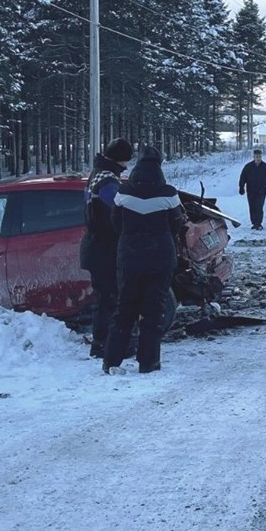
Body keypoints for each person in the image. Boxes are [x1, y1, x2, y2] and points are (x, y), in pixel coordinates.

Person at [103, 146, 186, 375]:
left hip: (129, 256)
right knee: (153, 310)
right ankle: (148, 362)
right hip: (160, 256)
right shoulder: (169, 194)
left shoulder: (123, 192)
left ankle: (111, 360)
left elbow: (116, 224)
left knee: (124, 309)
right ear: (159, 166)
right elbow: (176, 225)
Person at [80, 137, 133, 358]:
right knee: (110, 298)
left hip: (95, 247)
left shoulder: (97, 175)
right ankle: (106, 345)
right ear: (119, 160)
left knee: (104, 297)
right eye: (126, 161)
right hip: (104, 248)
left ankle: (102, 343)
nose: (126, 166)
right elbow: (119, 213)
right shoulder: (108, 182)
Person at [237, 149, 266, 230]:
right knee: (252, 207)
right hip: (251, 191)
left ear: (261, 157)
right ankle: (254, 223)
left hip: (261, 191)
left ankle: (259, 223)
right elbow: (243, 177)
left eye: (259, 157)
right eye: (256, 156)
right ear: (253, 156)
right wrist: (241, 187)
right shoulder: (248, 167)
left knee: (259, 207)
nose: (258, 158)